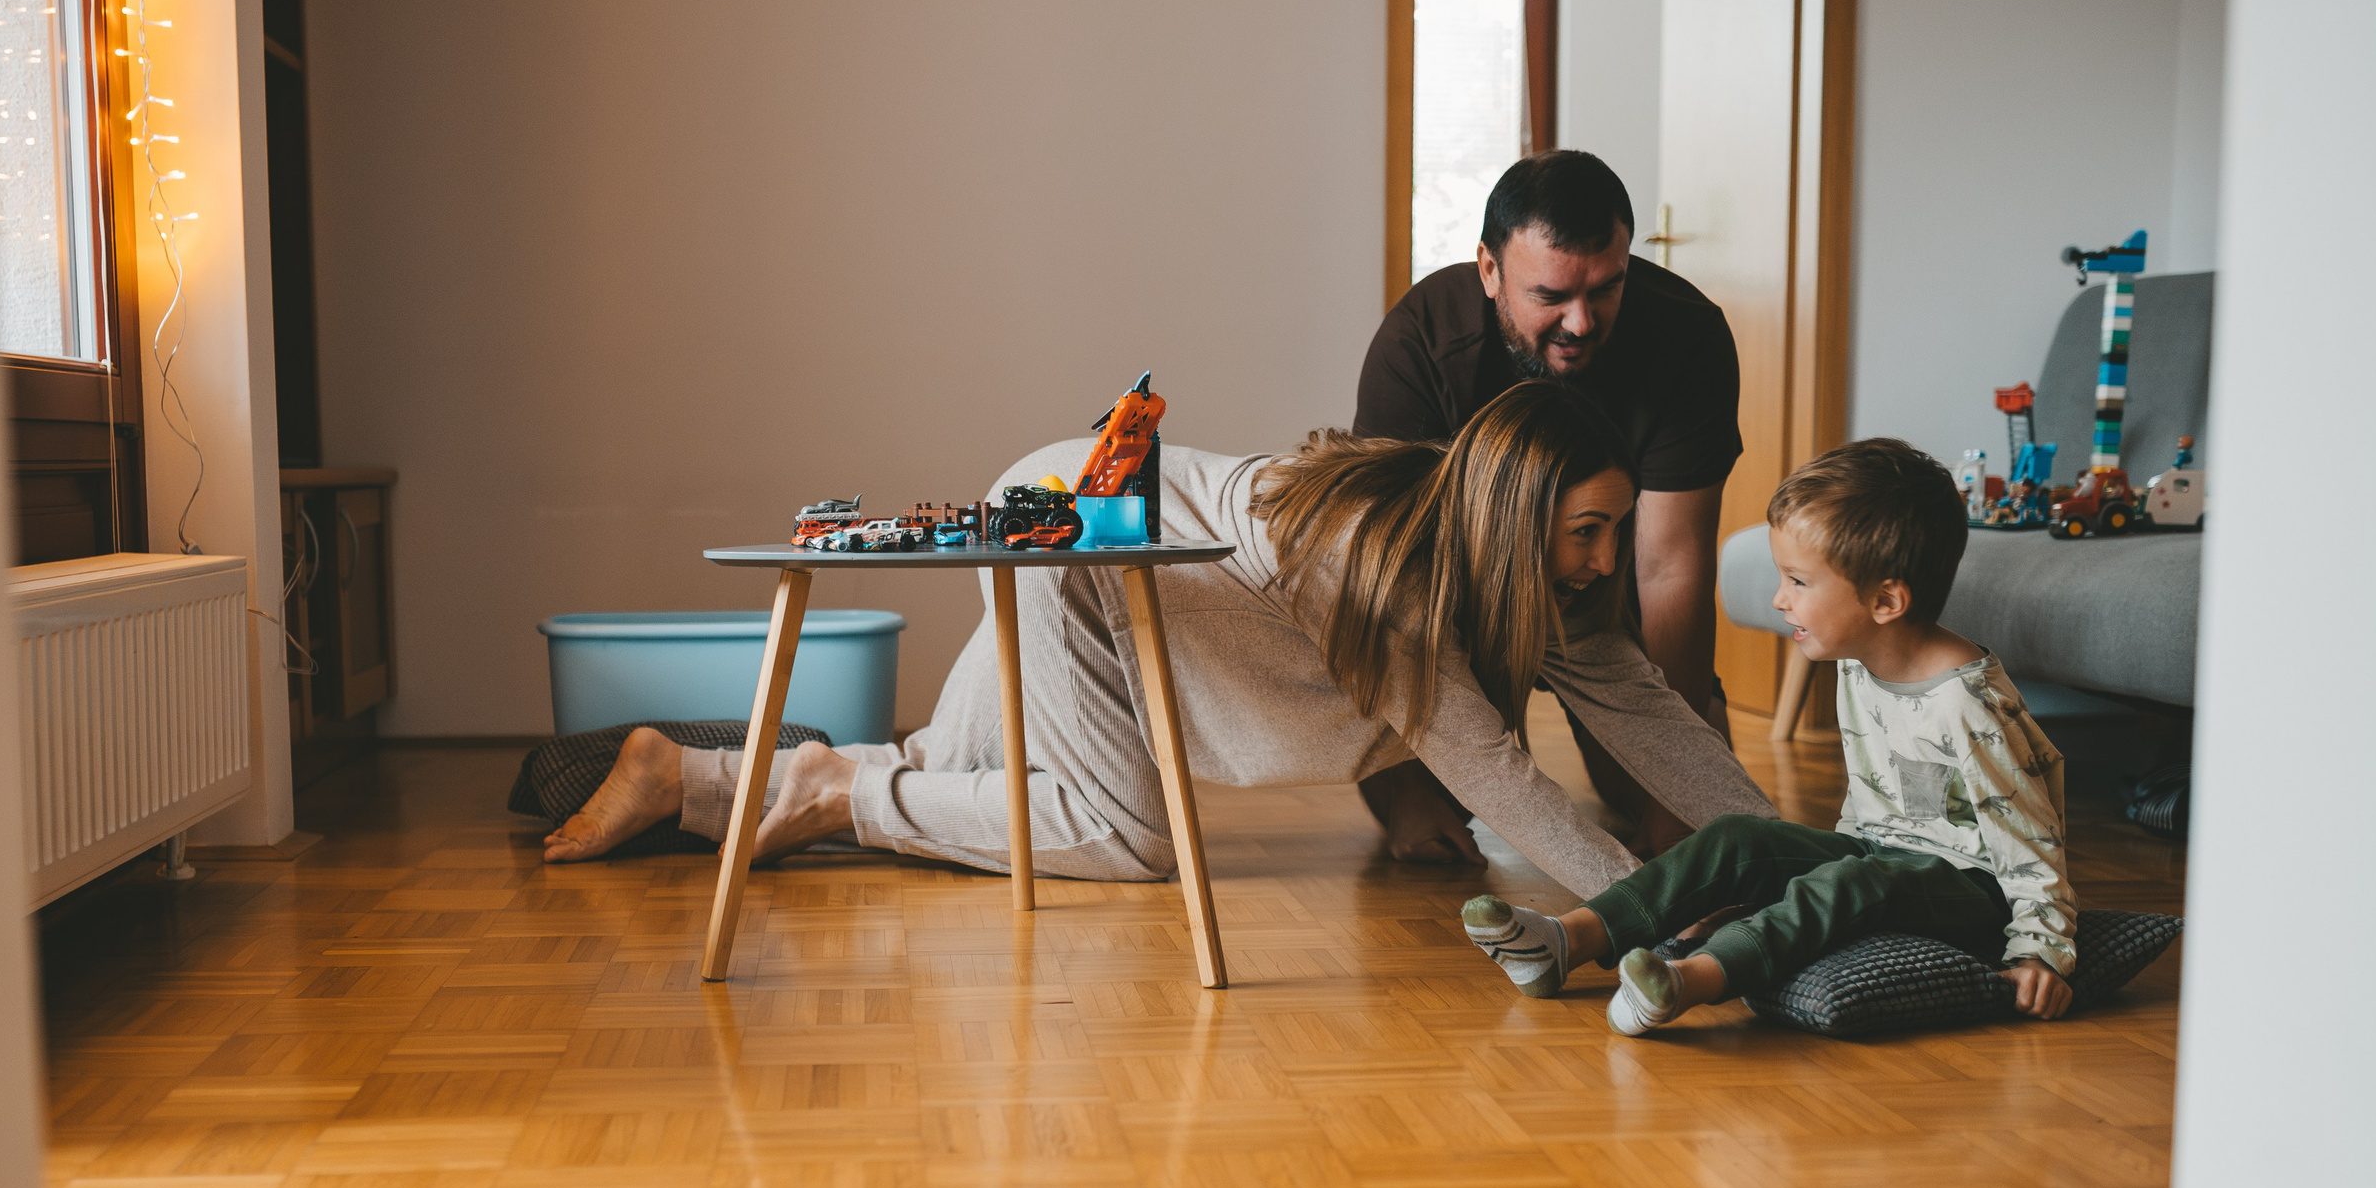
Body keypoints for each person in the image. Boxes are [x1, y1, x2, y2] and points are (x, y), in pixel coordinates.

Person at [540, 383, 1775, 896]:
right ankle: (830, 788)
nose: (1604, 560)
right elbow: (1496, 774)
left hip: (1117, 544)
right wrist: (1652, 906)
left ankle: (689, 778)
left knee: (967, 773)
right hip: (1076, 541)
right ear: (1511, 519)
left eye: (1613, 531)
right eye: (1585, 532)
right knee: (1125, 837)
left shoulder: (1537, 583)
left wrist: (1791, 857)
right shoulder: (1380, 569)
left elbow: (1652, 717)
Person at [1462, 440, 2077, 1034]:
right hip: (1878, 857)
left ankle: (1688, 981)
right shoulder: (1860, 663)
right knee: (1737, 837)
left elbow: (2034, 842)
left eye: (1799, 582)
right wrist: (1807, 864)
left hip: (1968, 887)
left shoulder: (1968, 704)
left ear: (1886, 600)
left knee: (1851, 881)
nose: (1780, 599)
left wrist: (2040, 952)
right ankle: (1569, 939)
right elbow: (1871, 797)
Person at [1355, 150, 1742, 864]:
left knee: (1702, 803)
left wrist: (1674, 789)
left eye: (1606, 289)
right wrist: (1407, 783)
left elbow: (1670, 567)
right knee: (1434, 816)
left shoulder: (1688, 336)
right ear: (1490, 269)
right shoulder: (1421, 340)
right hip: (1457, 612)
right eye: (1551, 295)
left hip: (1614, 607)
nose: (1581, 322)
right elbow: (1388, 573)